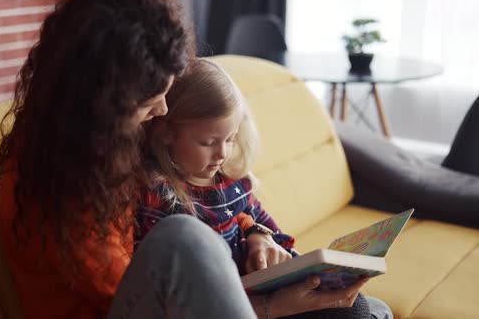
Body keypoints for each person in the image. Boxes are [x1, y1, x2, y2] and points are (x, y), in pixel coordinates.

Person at [0, 0, 389, 318]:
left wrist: (255, 231)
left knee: (369, 310)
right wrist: (272, 306)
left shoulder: (110, 145)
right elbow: (159, 288)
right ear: (105, 102)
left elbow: (210, 196)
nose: (161, 111)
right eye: (151, 101)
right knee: (185, 237)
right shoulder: (56, 181)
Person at [137, 58, 394, 319]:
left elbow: (276, 235)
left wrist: (262, 240)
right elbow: (173, 289)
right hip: (237, 308)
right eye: (208, 142)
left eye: (230, 138)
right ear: (165, 134)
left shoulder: (232, 181)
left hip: (268, 292)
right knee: (363, 312)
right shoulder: (161, 197)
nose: (222, 153)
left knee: (364, 306)